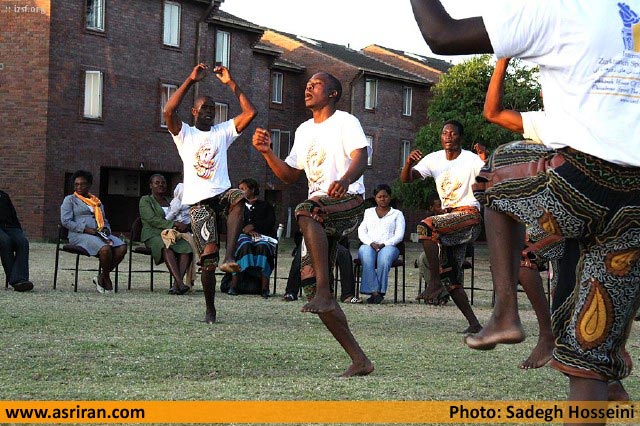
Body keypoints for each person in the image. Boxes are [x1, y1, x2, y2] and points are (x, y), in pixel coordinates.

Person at [410, 0, 640, 405]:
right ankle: (599, 366)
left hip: (578, 187)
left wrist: (504, 52)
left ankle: (505, 312)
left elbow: (442, 34)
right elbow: (496, 112)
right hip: (633, 207)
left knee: (495, 169)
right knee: (588, 360)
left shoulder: (564, 10)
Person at [252, 72, 374, 377]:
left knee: (306, 210)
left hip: (348, 201)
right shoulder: (304, 129)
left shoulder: (346, 121)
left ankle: (325, 290)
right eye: (308, 84)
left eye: (316, 84)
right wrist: (267, 152)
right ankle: (360, 359)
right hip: (318, 214)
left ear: (333, 93)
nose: (308, 87)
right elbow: (290, 175)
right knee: (308, 285)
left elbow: (361, 157)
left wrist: (345, 180)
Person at [164, 62, 257, 323]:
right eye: (204, 108)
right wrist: (191, 80)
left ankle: (230, 256)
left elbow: (251, 112)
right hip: (199, 204)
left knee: (238, 197)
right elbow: (168, 110)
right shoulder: (185, 134)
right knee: (207, 260)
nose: (209, 112)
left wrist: (231, 83)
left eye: (212, 109)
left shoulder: (222, 132)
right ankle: (210, 308)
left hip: (222, 195)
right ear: (194, 111)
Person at [400, 120, 487, 334]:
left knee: (425, 227)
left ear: (460, 138)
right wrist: (408, 163)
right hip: (448, 221)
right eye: (444, 133)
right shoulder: (434, 159)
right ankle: (474, 323)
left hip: (468, 215)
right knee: (451, 277)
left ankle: (433, 282)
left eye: (453, 133)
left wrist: (485, 160)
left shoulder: (471, 159)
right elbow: (407, 179)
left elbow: (490, 180)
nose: (448, 136)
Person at [60, 170, 126, 293]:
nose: (79, 187)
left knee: (121, 247)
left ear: (89, 185)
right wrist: (85, 229)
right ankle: (106, 279)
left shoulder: (96, 201)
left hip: (99, 233)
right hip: (80, 234)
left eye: (82, 184)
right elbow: (66, 221)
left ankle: (102, 277)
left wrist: (106, 230)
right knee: (105, 249)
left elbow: (104, 220)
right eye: (76, 184)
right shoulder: (70, 200)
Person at [139, 174, 193, 295]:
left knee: (187, 248)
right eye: (157, 183)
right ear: (151, 185)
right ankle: (180, 283)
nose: (161, 185)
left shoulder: (172, 200)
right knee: (166, 246)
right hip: (153, 235)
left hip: (172, 234)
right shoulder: (146, 200)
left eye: (163, 183)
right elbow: (151, 219)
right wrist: (174, 223)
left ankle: (176, 286)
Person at [227, 178, 276, 299]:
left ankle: (264, 287)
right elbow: (231, 223)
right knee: (244, 245)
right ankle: (234, 284)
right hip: (243, 236)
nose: (241, 191)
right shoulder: (237, 207)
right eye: (239, 189)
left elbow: (270, 222)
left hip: (261, 236)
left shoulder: (265, 206)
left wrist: (254, 226)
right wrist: (245, 229)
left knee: (263, 247)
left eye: (244, 189)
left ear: (253, 189)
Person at [357, 184, 405, 304]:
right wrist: (371, 243)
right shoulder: (368, 212)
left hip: (390, 247)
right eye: (379, 197)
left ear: (390, 197)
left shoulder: (397, 214)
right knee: (366, 255)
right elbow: (361, 231)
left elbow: (399, 235)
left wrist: (384, 244)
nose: (382, 199)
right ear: (375, 198)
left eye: (385, 196)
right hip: (369, 245)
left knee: (384, 258)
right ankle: (375, 292)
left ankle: (378, 292)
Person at [165, 182, 199, 288]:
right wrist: (167, 222)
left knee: (189, 248)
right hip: (175, 230)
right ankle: (179, 283)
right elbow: (170, 216)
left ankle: (178, 284)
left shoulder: (193, 205)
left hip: (187, 231)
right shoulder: (177, 202)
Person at [0, 190, 33, 292]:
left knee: (23, 242)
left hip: (10, 227)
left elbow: (13, 216)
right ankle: (16, 280)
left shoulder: (3, 196)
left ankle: (22, 279)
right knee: (5, 242)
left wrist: (19, 232)